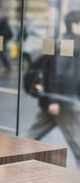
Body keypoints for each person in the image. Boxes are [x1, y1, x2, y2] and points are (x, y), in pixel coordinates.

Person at [24, 10, 80, 168]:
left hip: (62, 100)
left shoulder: (72, 41)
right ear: (75, 25)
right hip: (64, 102)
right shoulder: (70, 44)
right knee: (78, 141)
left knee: (33, 133)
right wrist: (54, 101)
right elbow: (60, 75)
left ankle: (9, 151)